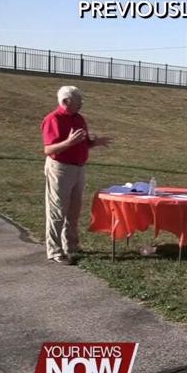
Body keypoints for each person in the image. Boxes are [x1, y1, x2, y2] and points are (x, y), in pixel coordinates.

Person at [42, 86, 112, 265]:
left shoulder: (79, 118)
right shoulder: (53, 119)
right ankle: (55, 250)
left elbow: (84, 144)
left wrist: (95, 143)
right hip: (61, 169)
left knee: (74, 209)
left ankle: (71, 245)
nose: (82, 103)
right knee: (58, 209)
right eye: (78, 100)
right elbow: (48, 149)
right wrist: (69, 142)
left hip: (79, 168)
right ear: (66, 102)